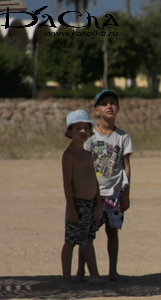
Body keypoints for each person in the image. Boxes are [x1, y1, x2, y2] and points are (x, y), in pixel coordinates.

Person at [79, 89, 133, 281]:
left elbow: (126, 166)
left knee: (113, 232)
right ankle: (81, 271)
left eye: (112, 102)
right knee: (87, 234)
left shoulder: (123, 137)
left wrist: (126, 193)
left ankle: (113, 271)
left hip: (115, 193)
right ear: (96, 111)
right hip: (93, 194)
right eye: (104, 103)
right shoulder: (90, 137)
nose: (109, 106)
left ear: (117, 108)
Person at [61, 110, 103, 288]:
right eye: (78, 128)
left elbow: (95, 179)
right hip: (77, 204)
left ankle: (94, 275)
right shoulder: (69, 155)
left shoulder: (87, 153)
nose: (82, 131)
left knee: (88, 240)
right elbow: (67, 183)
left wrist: (98, 203)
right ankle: (66, 279)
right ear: (70, 132)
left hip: (91, 203)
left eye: (86, 128)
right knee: (71, 242)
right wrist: (71, 208)